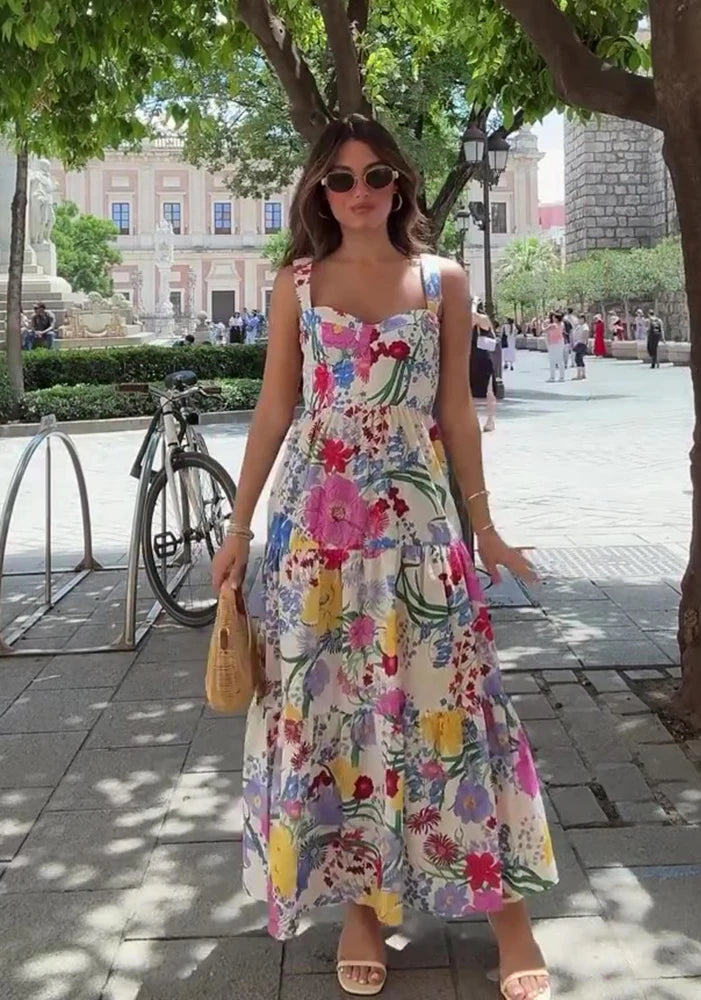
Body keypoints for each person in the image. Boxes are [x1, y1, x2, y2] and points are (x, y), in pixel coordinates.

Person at [210, 114, 556, 1000]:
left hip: (419, 533)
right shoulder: (296, 283)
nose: (358, 191)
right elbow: (274, 410)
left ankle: (507, 912)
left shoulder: (443, 280)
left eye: (374, 175)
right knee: (335, 714)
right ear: (319, 192)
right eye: (340, 178)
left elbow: (456, 413)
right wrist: (238, 531)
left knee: (454, 704)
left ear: (399, 182)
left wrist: (486, 527)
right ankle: (361, 908)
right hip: (314, 539)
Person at [470, 302, 498, 432]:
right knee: (471, 392)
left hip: (483, 358)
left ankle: (490, 420)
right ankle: (473, 419)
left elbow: (473, 317)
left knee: (489, 391)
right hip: (471, 357)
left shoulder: (482, 319)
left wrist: (474, 304)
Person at [544, 311, 566, 382]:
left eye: (553, 317)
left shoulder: (553, 325)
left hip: (553, 343)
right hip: (560, 342)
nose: (552, 318)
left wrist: (543, 324)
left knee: (552, 360)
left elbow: (544, 330)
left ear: (556, 318)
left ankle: (552, 377)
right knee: (560, 360)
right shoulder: (562, 324)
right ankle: (562, 377)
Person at [573, 313, 590, 380]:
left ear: (583, 319)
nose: (579, 320)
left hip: (581, 344)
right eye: (579, 319)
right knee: (580, 359)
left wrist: (585, 344)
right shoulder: (579, 326)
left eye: (581, 319)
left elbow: (585, 336)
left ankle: (579, 375)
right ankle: (583, 374)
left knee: (578, 359)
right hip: (578, 343)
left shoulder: (585, 327)